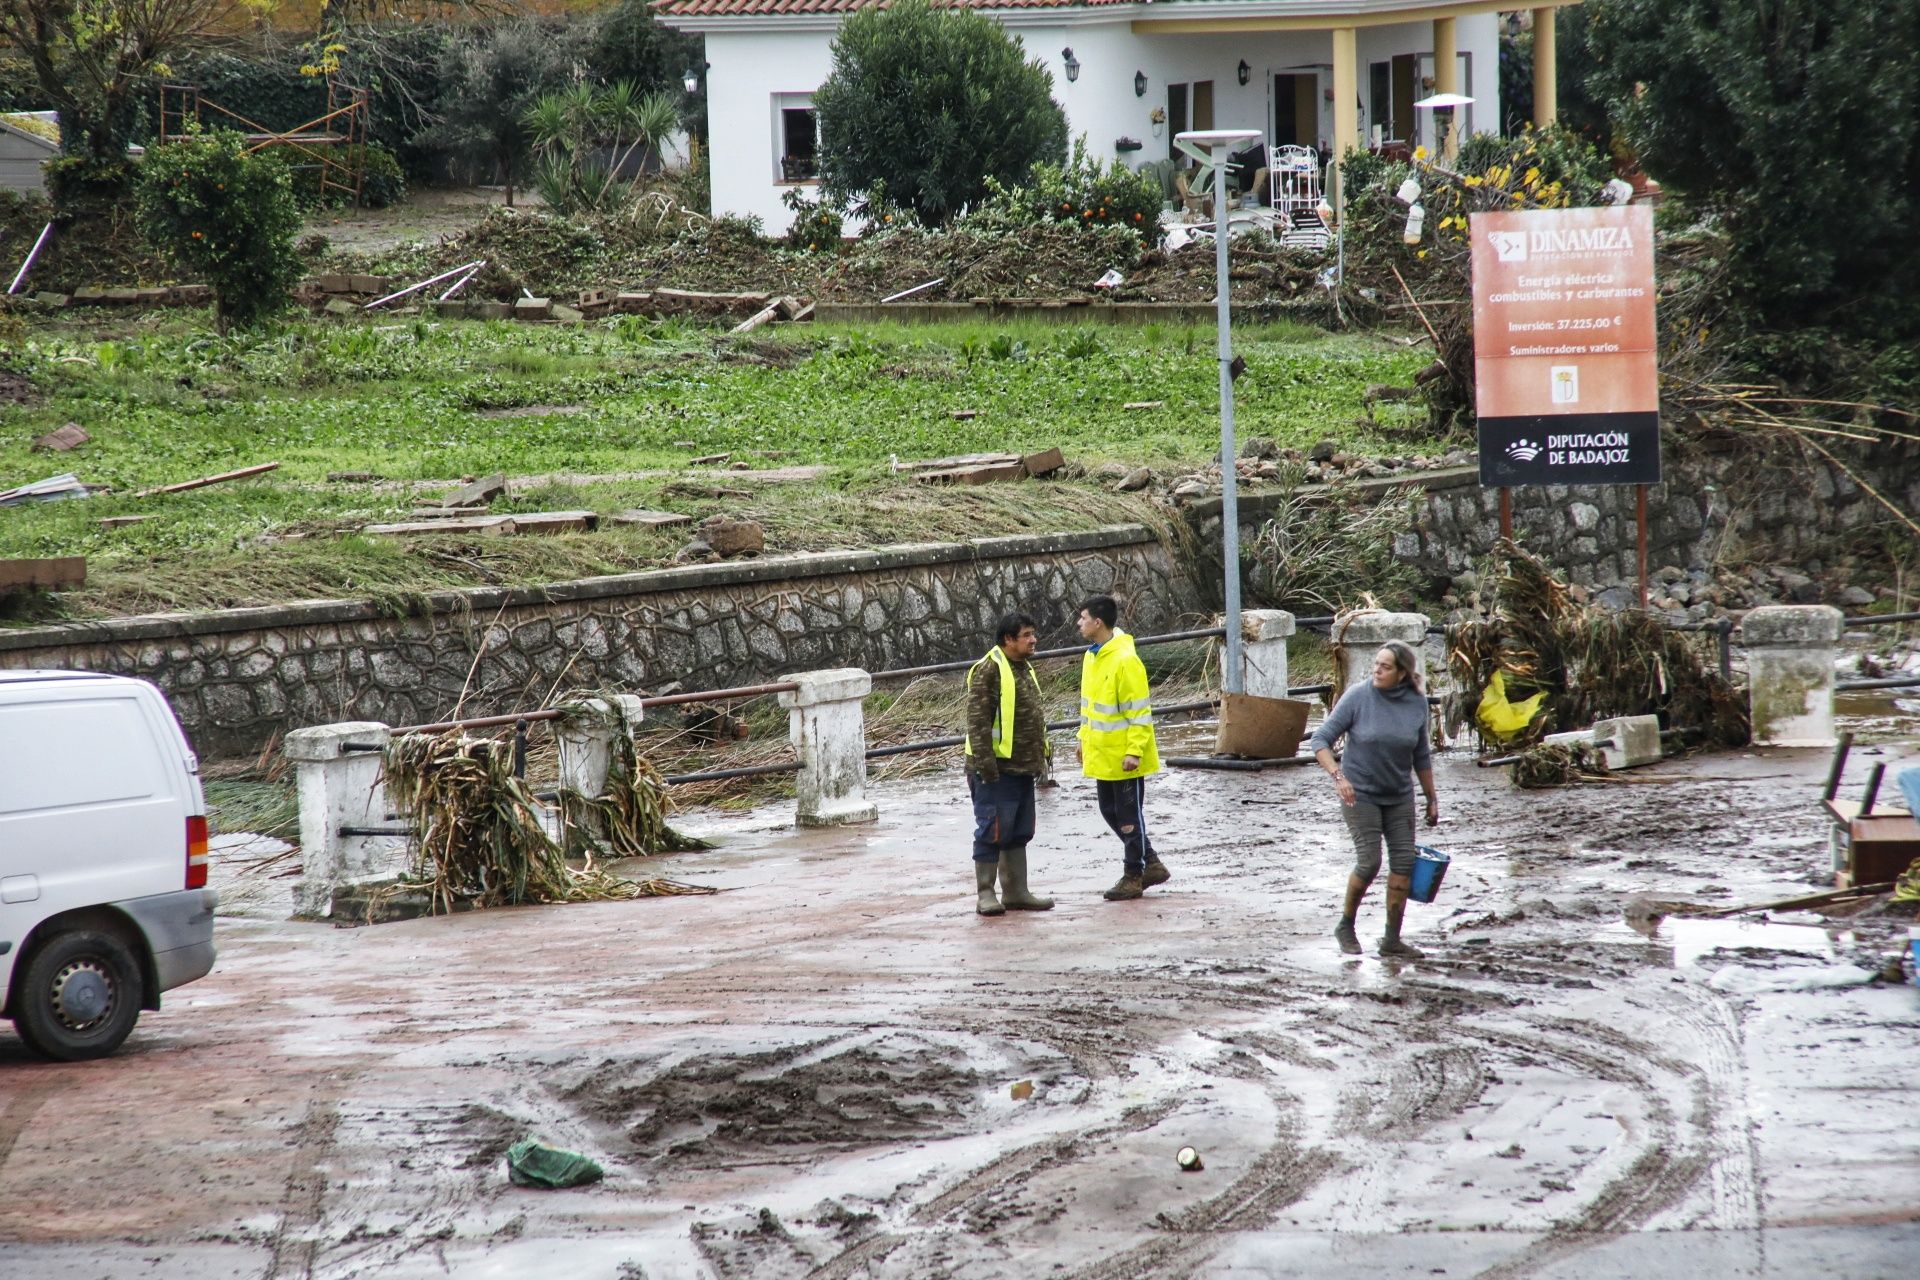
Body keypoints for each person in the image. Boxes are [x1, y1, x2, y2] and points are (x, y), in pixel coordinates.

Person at [1308, 640, 1440, 958]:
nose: (1377, 670)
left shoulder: (1416, 703)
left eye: (1385, 666)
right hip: (1360, 793)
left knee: (1404, 864)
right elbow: (1320, 739)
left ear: (1403, 673)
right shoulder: (1358, 696)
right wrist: (1338, 777)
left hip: (1398, 795)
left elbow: (1421, 755)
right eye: (1375, 664)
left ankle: (1391, 940)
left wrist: (1431, 797)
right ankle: (1346, 925)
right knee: (1370, 862)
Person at [1076, 595, 1169, 901]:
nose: (1079, 623)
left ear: (1097, 622)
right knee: (1109, 810)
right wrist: (1082, 740)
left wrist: (1134, 750)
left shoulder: (1125, 660)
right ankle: (1150, 862)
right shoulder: (1093, 656)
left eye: (1083, 618)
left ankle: (1133, 874)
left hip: (1124, 756)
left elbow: (1139, 712)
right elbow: (1089, 707)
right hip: (1103, 753)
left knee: (1129, 816)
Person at [965, 613, 1054, 915]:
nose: (1033, 640)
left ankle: (1016, 892)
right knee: (992, 830)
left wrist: (1041, 758)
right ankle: (986, 894)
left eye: (1033, 634)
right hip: (996, 771)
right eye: (1027, 635)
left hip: (1022, 768)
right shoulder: (989, 670)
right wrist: (986, 768)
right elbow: (978, 723)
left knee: (1018, 831)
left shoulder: (1023, 668)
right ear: (1008, 640)